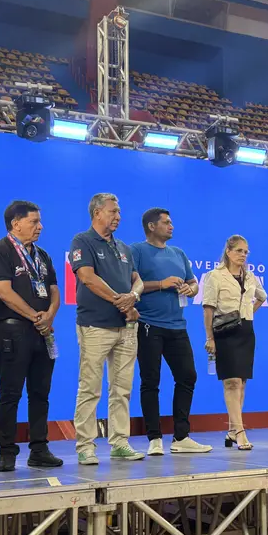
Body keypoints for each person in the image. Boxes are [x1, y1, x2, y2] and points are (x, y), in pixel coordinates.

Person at [0, 201, 64, 471]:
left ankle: (39, 449)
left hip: (43, 332)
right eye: (34, 222)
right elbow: (4, 292)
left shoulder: (42, 255)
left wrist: (49, 315)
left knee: (41, 393)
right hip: (13, 331)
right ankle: (7, 452)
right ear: (16, 223)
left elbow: (54, 290)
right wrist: (35, 317)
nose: (40, 227)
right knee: (10, 393)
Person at [70, 193, 146, 464]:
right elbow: (87, 278)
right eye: (113, 211)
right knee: (90, 387)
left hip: (126, 327)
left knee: (122, 388)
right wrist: (121, 301)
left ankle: (120, 442)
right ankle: (85, 446)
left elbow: (137, 280)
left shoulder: (123, 247)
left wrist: (133, 296)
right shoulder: (83, 241)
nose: (118, 217)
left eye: (119, 212)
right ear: (97, 213)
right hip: (95, 325)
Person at [131, 208, 211, 456]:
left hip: (177, 326)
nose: (171, 226)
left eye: (171, 222)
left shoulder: (178, 253)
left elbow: (193, 282)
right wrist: (161, 284)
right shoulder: (137, 251)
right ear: (151, 226)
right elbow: (131, 285)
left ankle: (181, 436)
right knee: (150, 381)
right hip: (148, 325)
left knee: (187, 377)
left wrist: (191, 289)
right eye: (166, 222)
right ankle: (154, 438)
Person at [202, 235, 267, 450]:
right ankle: (240, 432)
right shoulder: (215, 276)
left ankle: (232, 430)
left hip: (246, 332)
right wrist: (210, 338)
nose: (243, 255)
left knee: (242, 383)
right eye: (239, 250)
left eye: (246, 252)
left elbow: (262, 296)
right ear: (228, 252)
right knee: (232, 382)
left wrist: (247, 313)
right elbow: (208, 308)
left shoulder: (250, 277)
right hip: (224, 332)